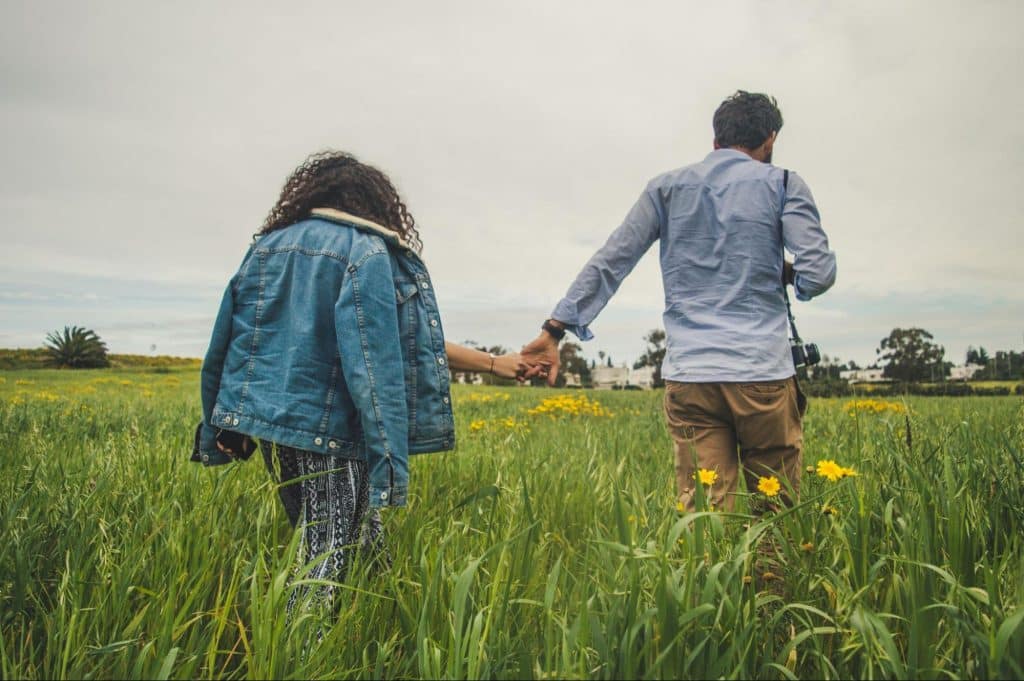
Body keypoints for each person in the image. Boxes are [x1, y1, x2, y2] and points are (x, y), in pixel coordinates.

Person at [191, 151, 534, 614]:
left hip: (275, 428)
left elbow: (227, 343)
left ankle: (382, 618)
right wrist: (387, 453)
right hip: (330, 428)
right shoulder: (364, 251)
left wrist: (222, 423)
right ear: (375, 202)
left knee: (358, 536)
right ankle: (301, 655)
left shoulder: (267, 247)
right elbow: (379, 360)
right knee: (326, 552)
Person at [522, 91, 836, 513]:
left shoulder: (666, 189)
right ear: (770, 140)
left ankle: (708, 580)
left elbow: (613, 259)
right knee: (776, 514)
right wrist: (788, 274)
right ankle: (772, 580)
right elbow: (818, 273)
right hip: (762, 372)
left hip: (691, 377)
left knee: (705, 517)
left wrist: (554, 330)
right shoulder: (782, 184)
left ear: (715, 141)